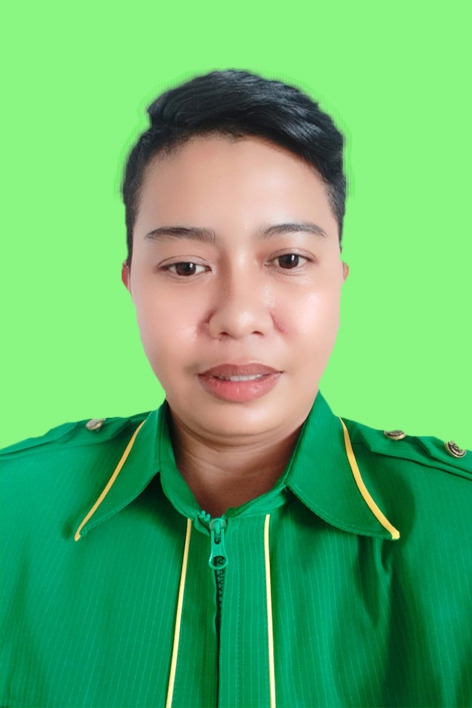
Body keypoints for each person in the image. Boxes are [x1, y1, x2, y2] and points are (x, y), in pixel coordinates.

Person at [1, 69, 471, 708]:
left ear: (338, 279)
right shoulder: (12, 516)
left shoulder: (458, 524)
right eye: (186, 266)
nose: (239, 316)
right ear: (132, 282)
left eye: (287, 260)